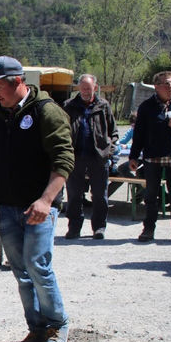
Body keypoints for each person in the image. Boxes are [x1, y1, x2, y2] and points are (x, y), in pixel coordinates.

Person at [0, 55, 74, 342]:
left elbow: (64, 159)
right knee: (20, 270)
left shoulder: (47, 111)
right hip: (7, 205)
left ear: (17, 81)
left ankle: (57, 323)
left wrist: (46, 200)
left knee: (37, 265)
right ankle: (37, 329)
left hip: (40, 206)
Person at [129, 71, 171, 243]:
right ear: (157, 86)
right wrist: (134, 156)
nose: (170, 87)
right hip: (152, 158)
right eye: (166, 84)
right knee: (151, 196)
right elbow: (139, 134)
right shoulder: (146, 107)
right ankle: (148, 229)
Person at [63, 74, 119, 240]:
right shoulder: (69, 105)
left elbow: (113, 132)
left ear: (95, 87)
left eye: (89, 88)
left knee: (100, 195)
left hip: (98, 157)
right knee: (74, 195)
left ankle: (99, 227)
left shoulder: (103, 105)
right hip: (75, 156)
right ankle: (74, 228)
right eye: (83, 88)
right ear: (79, 88)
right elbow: (62, 129)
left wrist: (109, 151)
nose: (86, 91)